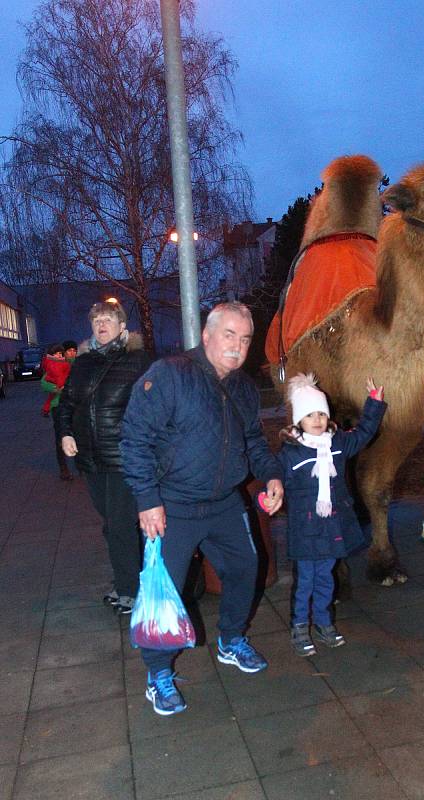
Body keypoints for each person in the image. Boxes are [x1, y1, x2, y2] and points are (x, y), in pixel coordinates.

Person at [120, 301, 284, 716]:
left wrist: (272, 476)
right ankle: (158, 674)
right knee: (164, 593)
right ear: (207, 336)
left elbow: (253, 442)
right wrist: (147, 500)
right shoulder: (171, 374)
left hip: (225, 503)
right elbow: (134, 439)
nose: (237, 346)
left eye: (245, 338)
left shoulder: (244, 388)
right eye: (229, 335)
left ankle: (231, 640)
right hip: (170, 506)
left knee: (247, 569)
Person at [278, 373, 386, 657]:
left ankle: (324, 622)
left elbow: (363, 434)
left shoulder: (337, 443)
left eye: (322, 414)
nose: (317, 420)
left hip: (331, 525)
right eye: (310, 415)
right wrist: (268, 496)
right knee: (305, 580)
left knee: (326, 576)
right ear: (298, 420)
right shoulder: (291, 453)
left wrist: (373, 404)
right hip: (305, 527)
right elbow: (275, 480)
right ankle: (300, 626)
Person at [57, 301, 152, 614]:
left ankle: (130, 589)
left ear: (122, 327)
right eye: (96, 319)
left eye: (108, 319)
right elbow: (66, 404)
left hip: (124, 456)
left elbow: (156, 405)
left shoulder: (138, 360)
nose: (101, 324)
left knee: (121, 524)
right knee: (111, 523)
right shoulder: (83, 364)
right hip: (91, 458)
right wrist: (66, 433)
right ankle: (129, 579)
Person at [41, 343, 75, 480]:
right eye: (69, 351)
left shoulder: (73, 365)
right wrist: (57, 389)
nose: (72, 353)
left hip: (73, 404)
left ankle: (80, 464)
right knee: (61, 437)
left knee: (78, 434)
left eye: (74, 350)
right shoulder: (51, 365)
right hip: (58, 405)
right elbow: (44, 383)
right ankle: (64, 468)